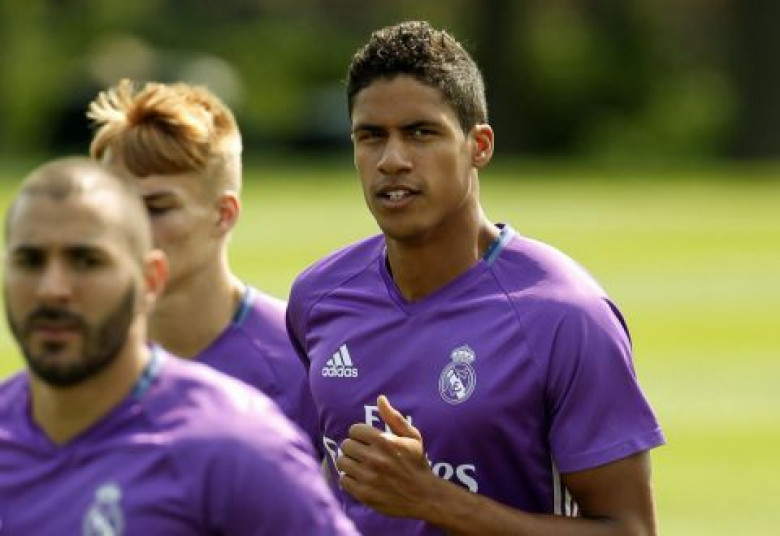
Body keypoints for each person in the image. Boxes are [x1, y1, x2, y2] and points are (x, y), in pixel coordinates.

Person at [286, 20, 666, 535]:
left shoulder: (564, 315)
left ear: (479, 145)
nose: (391, 160)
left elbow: (630, 530)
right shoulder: (318, 298)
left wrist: (435, 501)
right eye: (371, 137)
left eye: (421, 133)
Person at [0, 157, 358, 535]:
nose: (52, 289)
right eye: (30, 261)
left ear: (150, 279)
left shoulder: (235, 445)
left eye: (87, 261)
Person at [86, 80, 319, 448]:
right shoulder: (80, 356)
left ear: (223, 215)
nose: (126, 226)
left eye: (156, 208)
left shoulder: (303, 359)